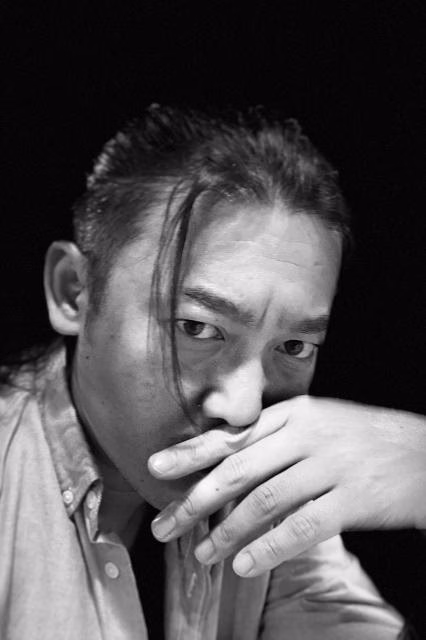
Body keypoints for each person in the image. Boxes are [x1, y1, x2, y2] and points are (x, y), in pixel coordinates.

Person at [0, 104, 413, 639]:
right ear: (74, 293)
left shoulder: (265, 490)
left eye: (293, 345)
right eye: (197, 328)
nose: (245, 408)